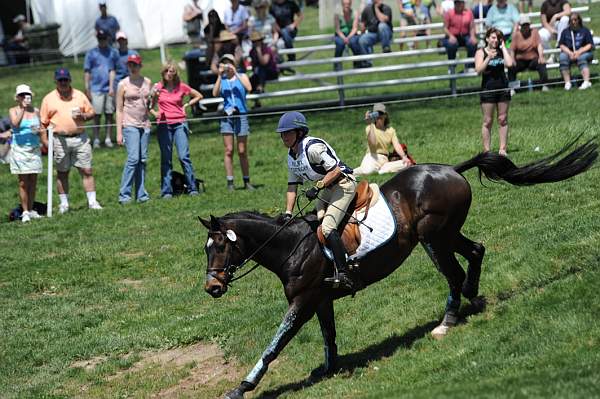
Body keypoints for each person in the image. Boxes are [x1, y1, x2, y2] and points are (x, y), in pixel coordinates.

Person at [278, 111, 356, 290]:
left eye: (288, 132)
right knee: (315, 224)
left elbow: (336, 169)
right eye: (282, 134)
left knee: (328, 227)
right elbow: (292, 186)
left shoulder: (312, 148)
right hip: (325, 190)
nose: (284, 137)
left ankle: (344, 272)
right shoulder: (291, 156)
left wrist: (318, 186)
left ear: (299, 132)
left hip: (343, 184)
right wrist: (288, 213)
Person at [40, 67, 102, 213]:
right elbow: (42, 123)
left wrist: (84, 116)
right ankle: (64, 204)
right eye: (60, 80)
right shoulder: (48, 99)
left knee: (86, 170)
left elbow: (92, 112)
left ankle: (92, 202)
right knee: (62, 172)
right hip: (59, 140)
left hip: (80, 138)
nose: (63, 82)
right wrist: (45, 141)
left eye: (66, 79)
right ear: (55, 81)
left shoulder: (79, 95)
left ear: (70, 80)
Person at [150, 61, 203, 198]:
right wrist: (154, 111)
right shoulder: (158, 87)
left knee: (184, 156)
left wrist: (186, 105)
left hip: (180, 123)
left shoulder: (181, 87)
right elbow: (150, 105)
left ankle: (192, 188)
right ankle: (166, 191)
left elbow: (198, 95)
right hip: (164, 124)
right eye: (166, 71)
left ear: (175, 73)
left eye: (171, 71)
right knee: (166, 158)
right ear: (163, 73)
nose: (169, 73)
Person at [212, 54, 255, 191]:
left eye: (229, 63)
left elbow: (249, 88)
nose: (227, 66)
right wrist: (219, 75)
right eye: (224, 63)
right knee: (228, 150)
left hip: (241, 115)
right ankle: (230, 182)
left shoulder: (242, 76)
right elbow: (214, 93)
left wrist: (235, 72)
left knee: (242, 150)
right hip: (227, 116)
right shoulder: (222, 79)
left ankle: (246, 180)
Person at [115, 54, 152, 205]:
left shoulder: (147, 82)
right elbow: (118, 109)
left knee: (142, 160)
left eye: (135, 64)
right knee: (133, 159)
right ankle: (124, 195)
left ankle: (141, 194)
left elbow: (150, 104)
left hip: (145, 124)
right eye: (130, 64)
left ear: (140, 65)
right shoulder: (122, 84)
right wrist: (119, 132)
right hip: (129, 125)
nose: (132, 67)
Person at [8, 84, 47, 223]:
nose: (25, 97)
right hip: (20, 149)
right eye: (22, 95)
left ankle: (30, 209)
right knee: (23, 182)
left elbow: (41, 128)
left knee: (33, 181)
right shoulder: (13, 110)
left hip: (34, 149)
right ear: (17, 97)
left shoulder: (36, 111)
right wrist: (23, 109)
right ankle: (24, 211)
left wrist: (45, 140)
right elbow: (15, 124)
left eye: (27, 94)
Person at [475, 28, 514, 156]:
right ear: (487, 38)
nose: (495, 40)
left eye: (497, 38)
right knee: (488, 121)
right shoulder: (481, 52)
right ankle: (487, 151)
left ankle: (503, 148)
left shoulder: (502, 51)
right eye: (493, 37)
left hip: (503, 88)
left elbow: (509, 64)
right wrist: (488, 58)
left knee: (503, 119)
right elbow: (478, 70)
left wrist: (503, 48)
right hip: (488, 89)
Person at [354, 103, 411, 176]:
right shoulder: (370, 128)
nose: (379, 116)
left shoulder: (391, 130)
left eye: (381, 113)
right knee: (368, 171)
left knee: (406, 164)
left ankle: (380, 170)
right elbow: (373, 143)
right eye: (377, 113)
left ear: (385, 115)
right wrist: (370, 123)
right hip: (372, 157)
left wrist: (404, 157)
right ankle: (351, 173)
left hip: (384, 160)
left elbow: (397, 145)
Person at [84, 29, 119, 149]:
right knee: (96, 115)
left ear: (107, 39)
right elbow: (87, 71)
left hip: (108, 88)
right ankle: (96, 138)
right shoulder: (91, 53)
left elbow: (113, 70)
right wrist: (87, 87)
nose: (102, 41)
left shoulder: (112, 52)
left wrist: (111, 87)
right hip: (96, 88)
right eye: (100, 38)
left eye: (104, 38)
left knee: (109, 114)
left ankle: (108, 138)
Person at [508, 15, 549, 93]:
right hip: (520, 60)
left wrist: (541, 56)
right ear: (520, 26)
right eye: (524, 25)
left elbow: (539, 45)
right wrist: (512, 59)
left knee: (541, 63)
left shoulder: (535, 32)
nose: (525, 27)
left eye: (527, 25)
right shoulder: (516, 35)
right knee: (511, 67)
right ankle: (512, 88)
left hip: (533, 58)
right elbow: (512, 49)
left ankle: (545, 85)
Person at [558, 13, 594, 91]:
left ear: (579, 20)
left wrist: (579, 52)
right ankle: (567, 83)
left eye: (575, 20)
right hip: (570, 53)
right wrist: (570, 53)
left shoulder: (585, 30)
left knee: (582, 58)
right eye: (571, 20)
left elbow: (589, 45)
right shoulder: (565, 31)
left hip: (585, 52)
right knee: (562, 57)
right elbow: (561, 45)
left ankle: (586, 82)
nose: (573, 22)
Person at [443, 0, 477, 70]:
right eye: (456, 2)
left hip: (465, 35)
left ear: (463, 3)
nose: (458, 4)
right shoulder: (449, 13)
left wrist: (473, 36)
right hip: (452, 35)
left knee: (472, 43)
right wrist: (451, 36)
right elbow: (445, 28)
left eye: (460, 2)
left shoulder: (469, 13)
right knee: (451, 45)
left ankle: (470, 66)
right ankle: (451, 65)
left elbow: (472, 27)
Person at [249, 31, 279, 97]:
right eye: (254, 41)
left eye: (258, 41)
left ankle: (261, 87)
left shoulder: (266, 49)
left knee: (261, 69)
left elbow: (264, 63)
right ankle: (256, 101)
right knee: (251, 80)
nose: (256, 43)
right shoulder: (251, 51)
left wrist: (259, 51)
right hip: (260, 74)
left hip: (271, 72)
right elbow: (254, 64)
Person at [334, 0, 361, 66]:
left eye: (348, 4)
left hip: (352, 34)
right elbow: (337, 29)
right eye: (345, 4)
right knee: (340, 44)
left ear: (350, 4)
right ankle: (337, 64)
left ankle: (357, 63)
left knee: (354, 42)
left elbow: (355, 28)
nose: (346, 5)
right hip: (340, 35)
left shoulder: (355, 13)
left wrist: (348, 37)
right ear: (342, 4)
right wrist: (344, 38)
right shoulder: (337, 14)